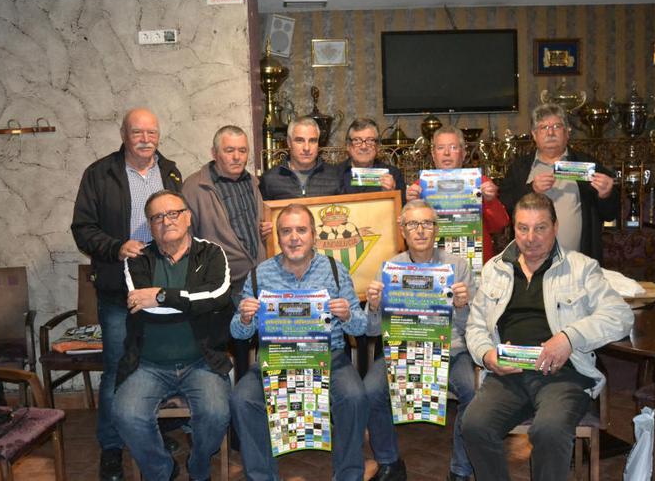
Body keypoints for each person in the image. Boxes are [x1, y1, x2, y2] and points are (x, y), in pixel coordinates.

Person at [461, 193, 633, 480]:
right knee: (474, 426)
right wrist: (488, 356)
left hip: (562, 375)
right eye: (523, 228)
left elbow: (621, 316)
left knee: (549, 430)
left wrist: (568, 338)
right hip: (508, 374)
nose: (531, 237)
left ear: (555, 227)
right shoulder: (495, 269)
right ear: (513, 229)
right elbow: (476, 326)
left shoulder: (581, 268)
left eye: (540, 227)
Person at [71, 107, 182, 481]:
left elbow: (180, 220)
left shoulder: (171, 171)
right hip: (119, 291)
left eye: (152, 132)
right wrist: (116, 246)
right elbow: (82, 228)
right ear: (124, 134)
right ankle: (112, 447)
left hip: (162, 286)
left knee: (160, 365)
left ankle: (152, 435)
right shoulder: (99, 173)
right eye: (138, 132)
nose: (146, 138)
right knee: (119, 369)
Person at [229, 204, 369, 480]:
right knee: (242, 398)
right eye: (286, 231)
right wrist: (245, 319)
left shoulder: (335, 270)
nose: (294, 237)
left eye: (301, 230)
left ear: (314, 235)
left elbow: (361, 326)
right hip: (276, 360)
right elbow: (238, 333)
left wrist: (348, 313)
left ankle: (349, 475)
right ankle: (261, 476)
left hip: (329, 358)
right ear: (277, 237)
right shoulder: (259, 274)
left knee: (354, 397)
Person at [111, 190, 231, 481]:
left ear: (188, 217)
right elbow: (142, 306)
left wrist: (162, 296)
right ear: (150, 225)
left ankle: (199, 466)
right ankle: (162, 470)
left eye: (173, 213)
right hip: (148, 364)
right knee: (125, 415)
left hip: (201, 362)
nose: (166, 221)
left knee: (217, 414)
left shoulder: (212, 253)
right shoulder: (137, 259)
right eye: (157, 217)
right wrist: (191, 303)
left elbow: (218, 297)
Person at [363, 200, 478, 481]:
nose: (421, 230)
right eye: (413, 224)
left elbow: (471, 327)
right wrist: (375, 306)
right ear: (403, 230)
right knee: (368, 391)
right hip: (400, 351)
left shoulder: (458, 266)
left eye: (427, 223)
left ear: (436, 229)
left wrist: (463, 305)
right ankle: (389, 462)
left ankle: (460, 470)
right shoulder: (390, 268)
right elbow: (372, 331)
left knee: (472, 393)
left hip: (450, 350)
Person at [181, 125, 272, 378]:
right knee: (226, 349)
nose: (237, 157)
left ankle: (253, 401)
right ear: (214, 152)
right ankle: (228, 405)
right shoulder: (194, 187)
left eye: (242, 150)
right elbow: (186, 242)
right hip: (221, 289)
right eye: (229, 150)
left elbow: (259, 225)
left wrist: (268, 228)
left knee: (259, 347)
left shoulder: (254, 182)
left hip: (256, 283)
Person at [499, 103, 619, 264]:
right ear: (534, 134)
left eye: (557, 126)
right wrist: (531, 189)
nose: (550, 132)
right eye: (543, 127)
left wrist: (606, 195)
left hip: (578, 265)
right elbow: (504, 207)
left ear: (567, 132)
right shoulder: (520, 168)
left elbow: (610, 213)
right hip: (529, 266)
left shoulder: (586, 164)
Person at [405, 125, 509, 264]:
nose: (447, 153)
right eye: (441, 148)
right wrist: (410, 205)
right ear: (433, 154)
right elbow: (405, 233)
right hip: (433, 264)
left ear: (464, 153)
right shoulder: (418, 188)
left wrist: (490, 201)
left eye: (453, 147)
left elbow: (500, 225)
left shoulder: (481, 183)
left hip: (474, 261)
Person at [259, 116, 342, 200]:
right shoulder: (270, 179)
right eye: (300, 140)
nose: (306, 148)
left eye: (312, 141)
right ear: (289, 142)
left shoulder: (336, 176)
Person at [338, 118, 406, 201]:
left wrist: (392, 195)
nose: (364, 147)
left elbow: (403, 211)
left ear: (378, 147)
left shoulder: (394, 174)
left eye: (370, 141)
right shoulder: (335, 174)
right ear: (348, 146)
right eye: (357, 141)